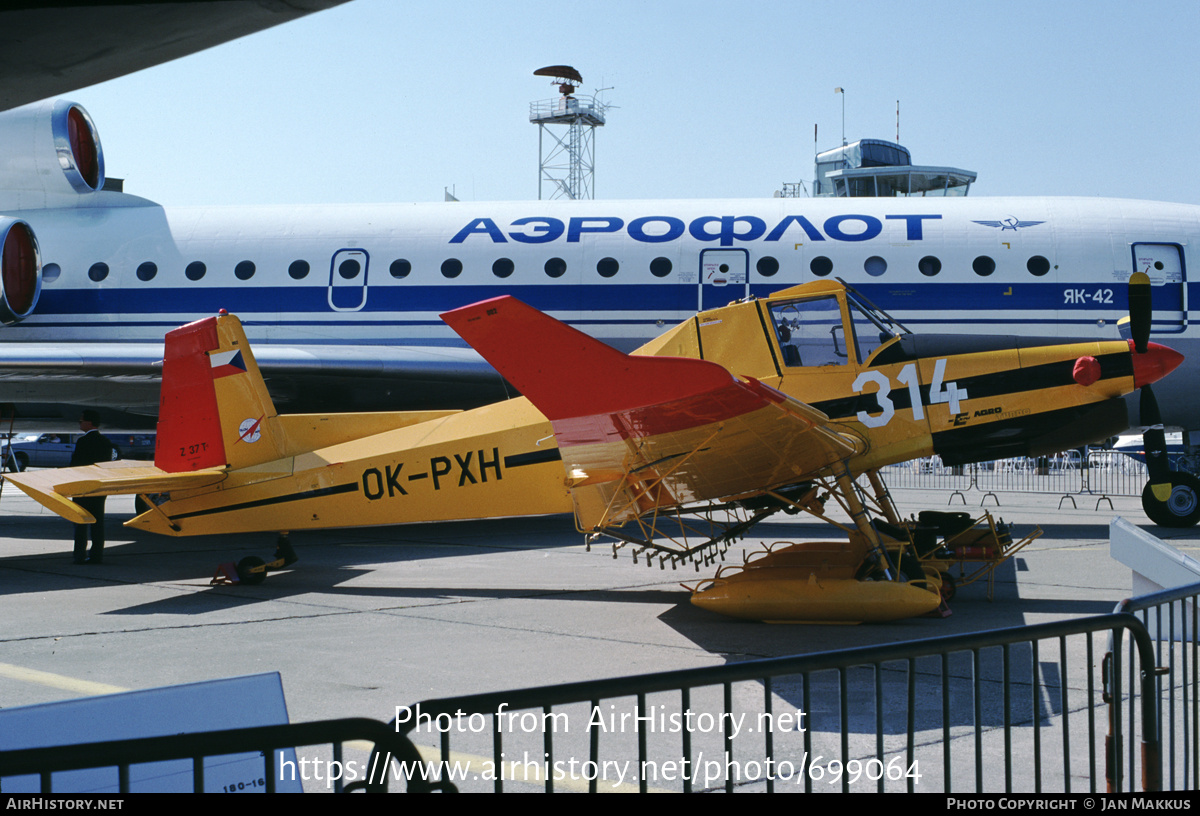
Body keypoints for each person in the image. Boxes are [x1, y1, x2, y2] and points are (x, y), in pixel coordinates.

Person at [70, 410, 116, 564]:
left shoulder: (83, 442)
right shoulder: (105, 442)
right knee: (98, 523)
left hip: (83, 487)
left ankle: (79, 554)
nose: (80, 423)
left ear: (89, 422)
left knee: (81, 522)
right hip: (99, 487)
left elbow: (75, 466)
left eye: (81, 420)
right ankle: (97, 555)